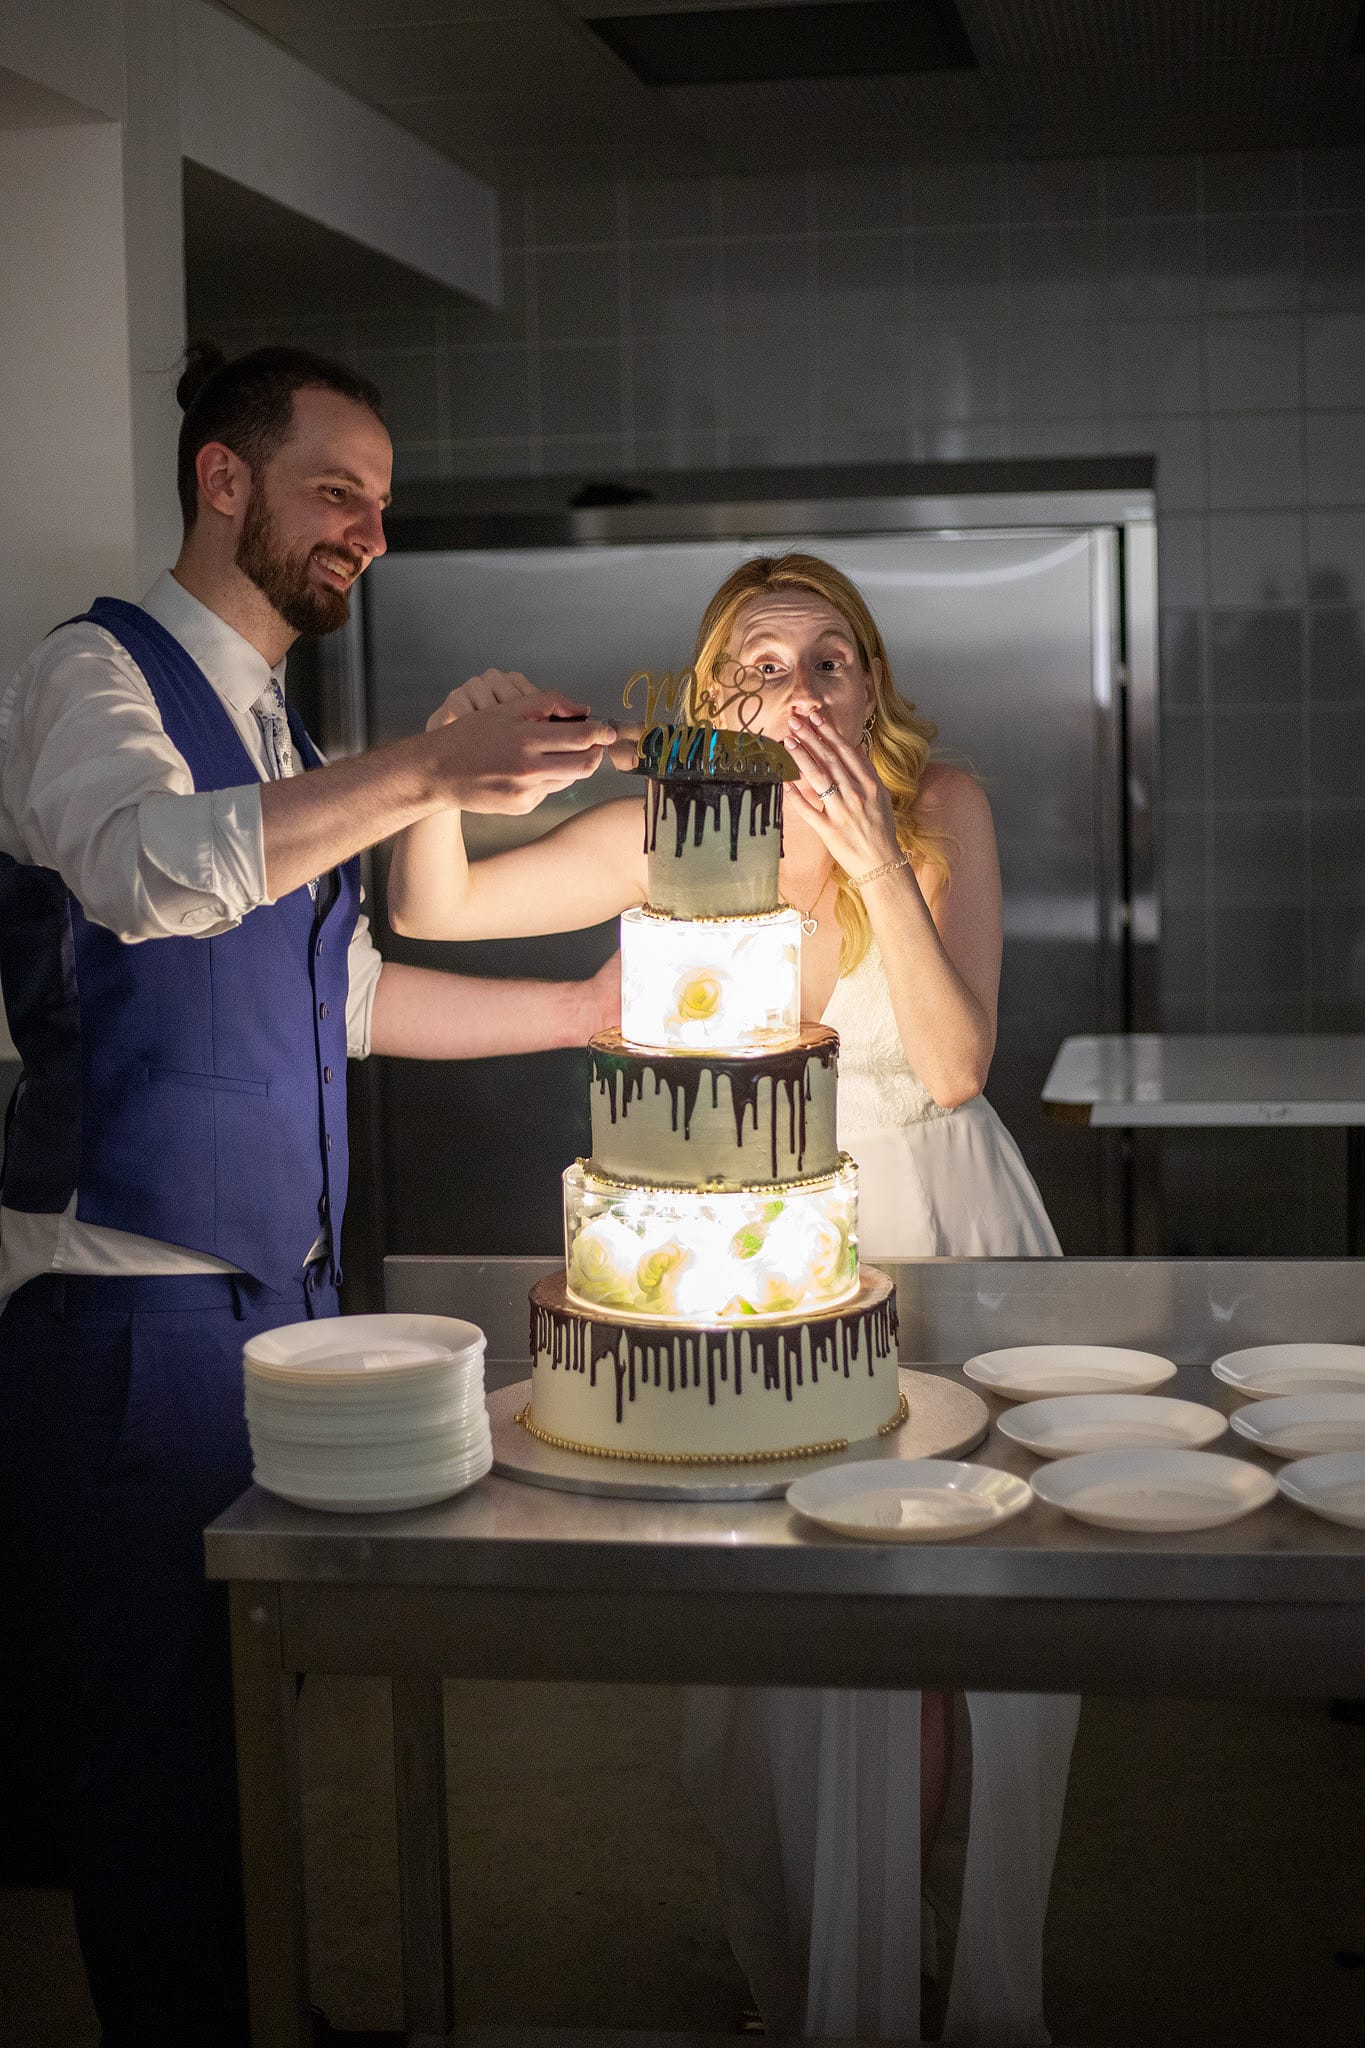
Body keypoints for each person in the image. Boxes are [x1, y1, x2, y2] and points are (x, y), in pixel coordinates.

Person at [0, 342, 630, 2048]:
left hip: (275, 1305)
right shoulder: (89, 675)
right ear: (223, 481)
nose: (368, 530)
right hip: (124, 1308)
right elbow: (141, 871)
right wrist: (424, 773)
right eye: (335, 491)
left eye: (381, 505)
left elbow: (335, 999)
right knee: (156, 1744)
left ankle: (258, 2011)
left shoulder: (282, 729)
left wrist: (580, 1010)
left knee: (243, 1715)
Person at [387, 550, 1077, 2044]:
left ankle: (928, 1979)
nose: (801, 686)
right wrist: (444, 768)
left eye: (829, 658)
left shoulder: (938, 809)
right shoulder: (677, 827)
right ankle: (838, 1968)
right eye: (762, 666)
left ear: (872, 685)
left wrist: (872, 855)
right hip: (751, 1262)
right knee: (797, 1654)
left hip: (945, 1242)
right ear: (713, 703)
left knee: (955, 1649)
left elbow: (954, 1066)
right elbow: (435, 909)